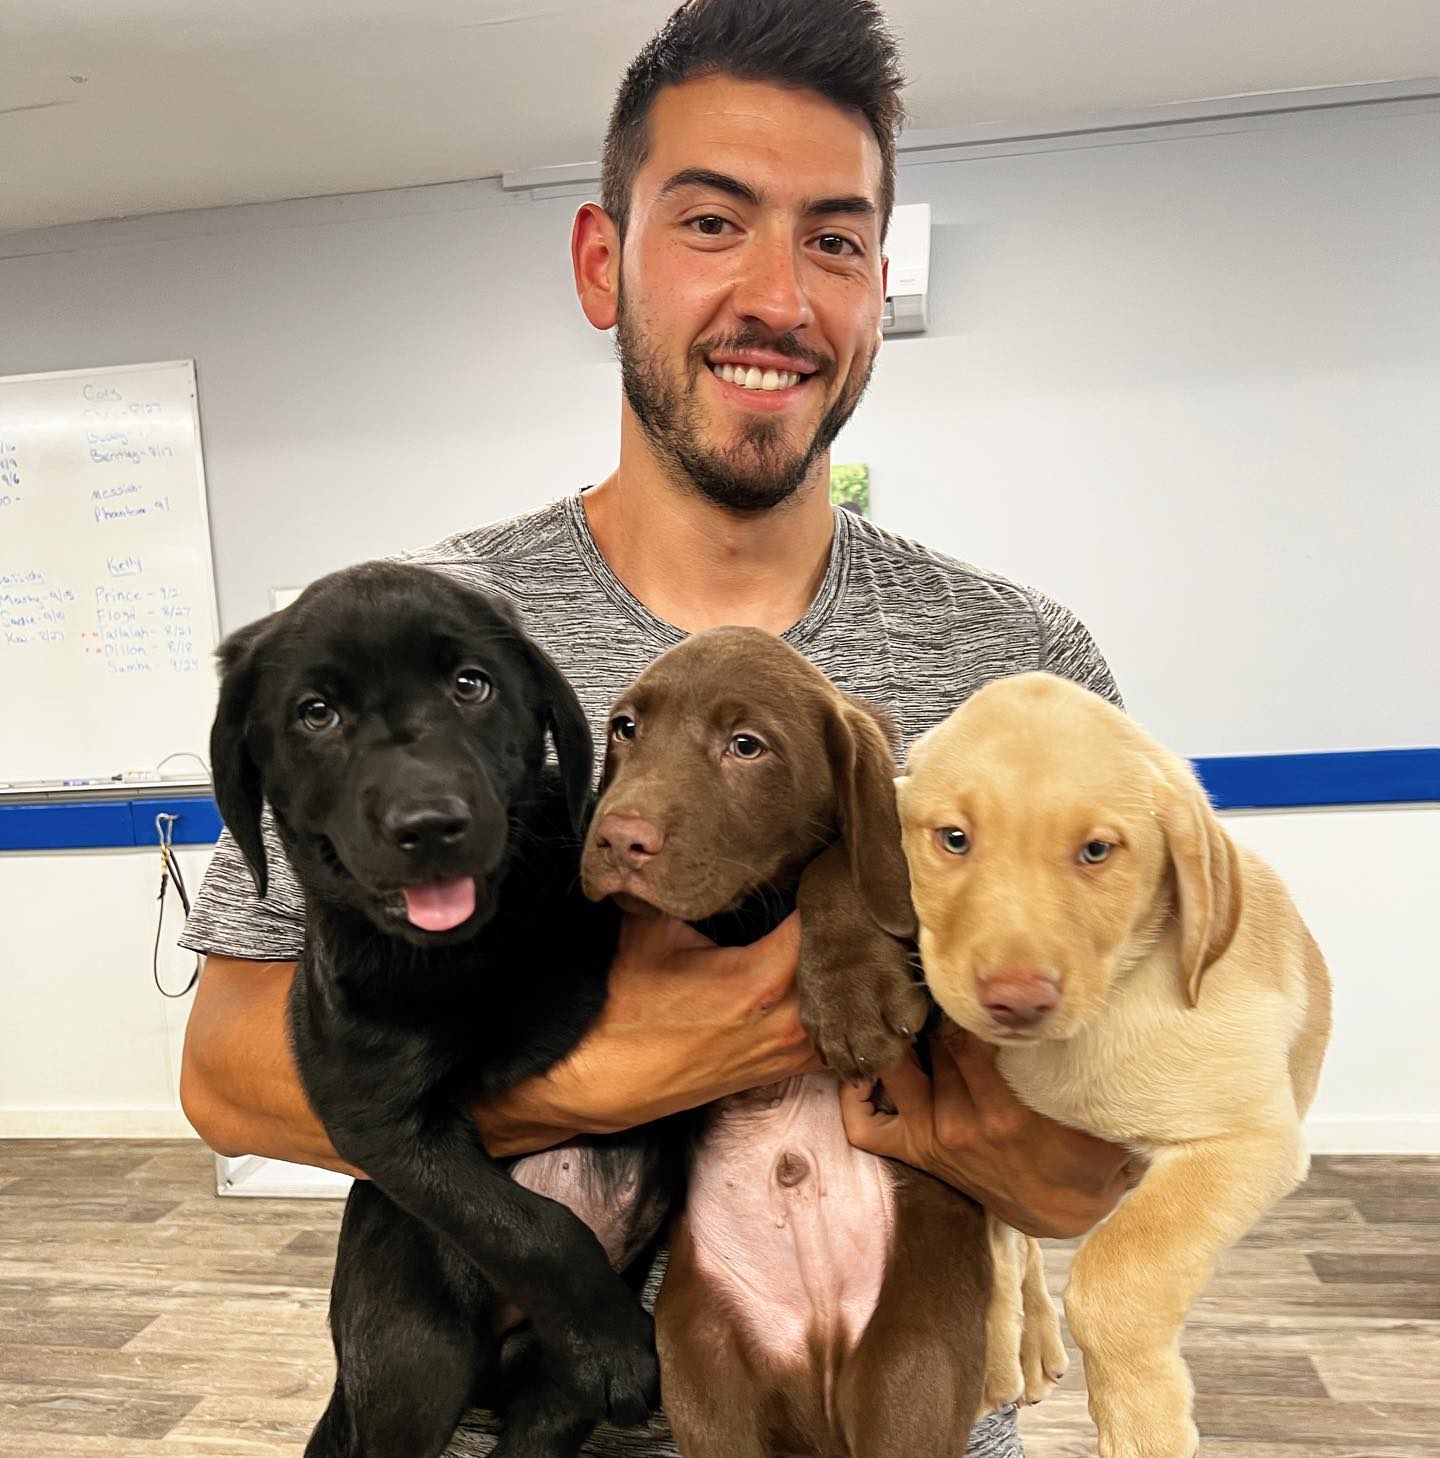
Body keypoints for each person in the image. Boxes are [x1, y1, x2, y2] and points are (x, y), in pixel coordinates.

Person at [179, 2, 1133, 1453]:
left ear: (880, 285)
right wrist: (629, 1066)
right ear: (601, 261)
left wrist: (930, 1081)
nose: (779, 296)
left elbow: (1089, 1164)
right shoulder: (430, 632)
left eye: (835, 240)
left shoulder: (1024, 660)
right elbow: (226, 1074)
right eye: (711, 222)